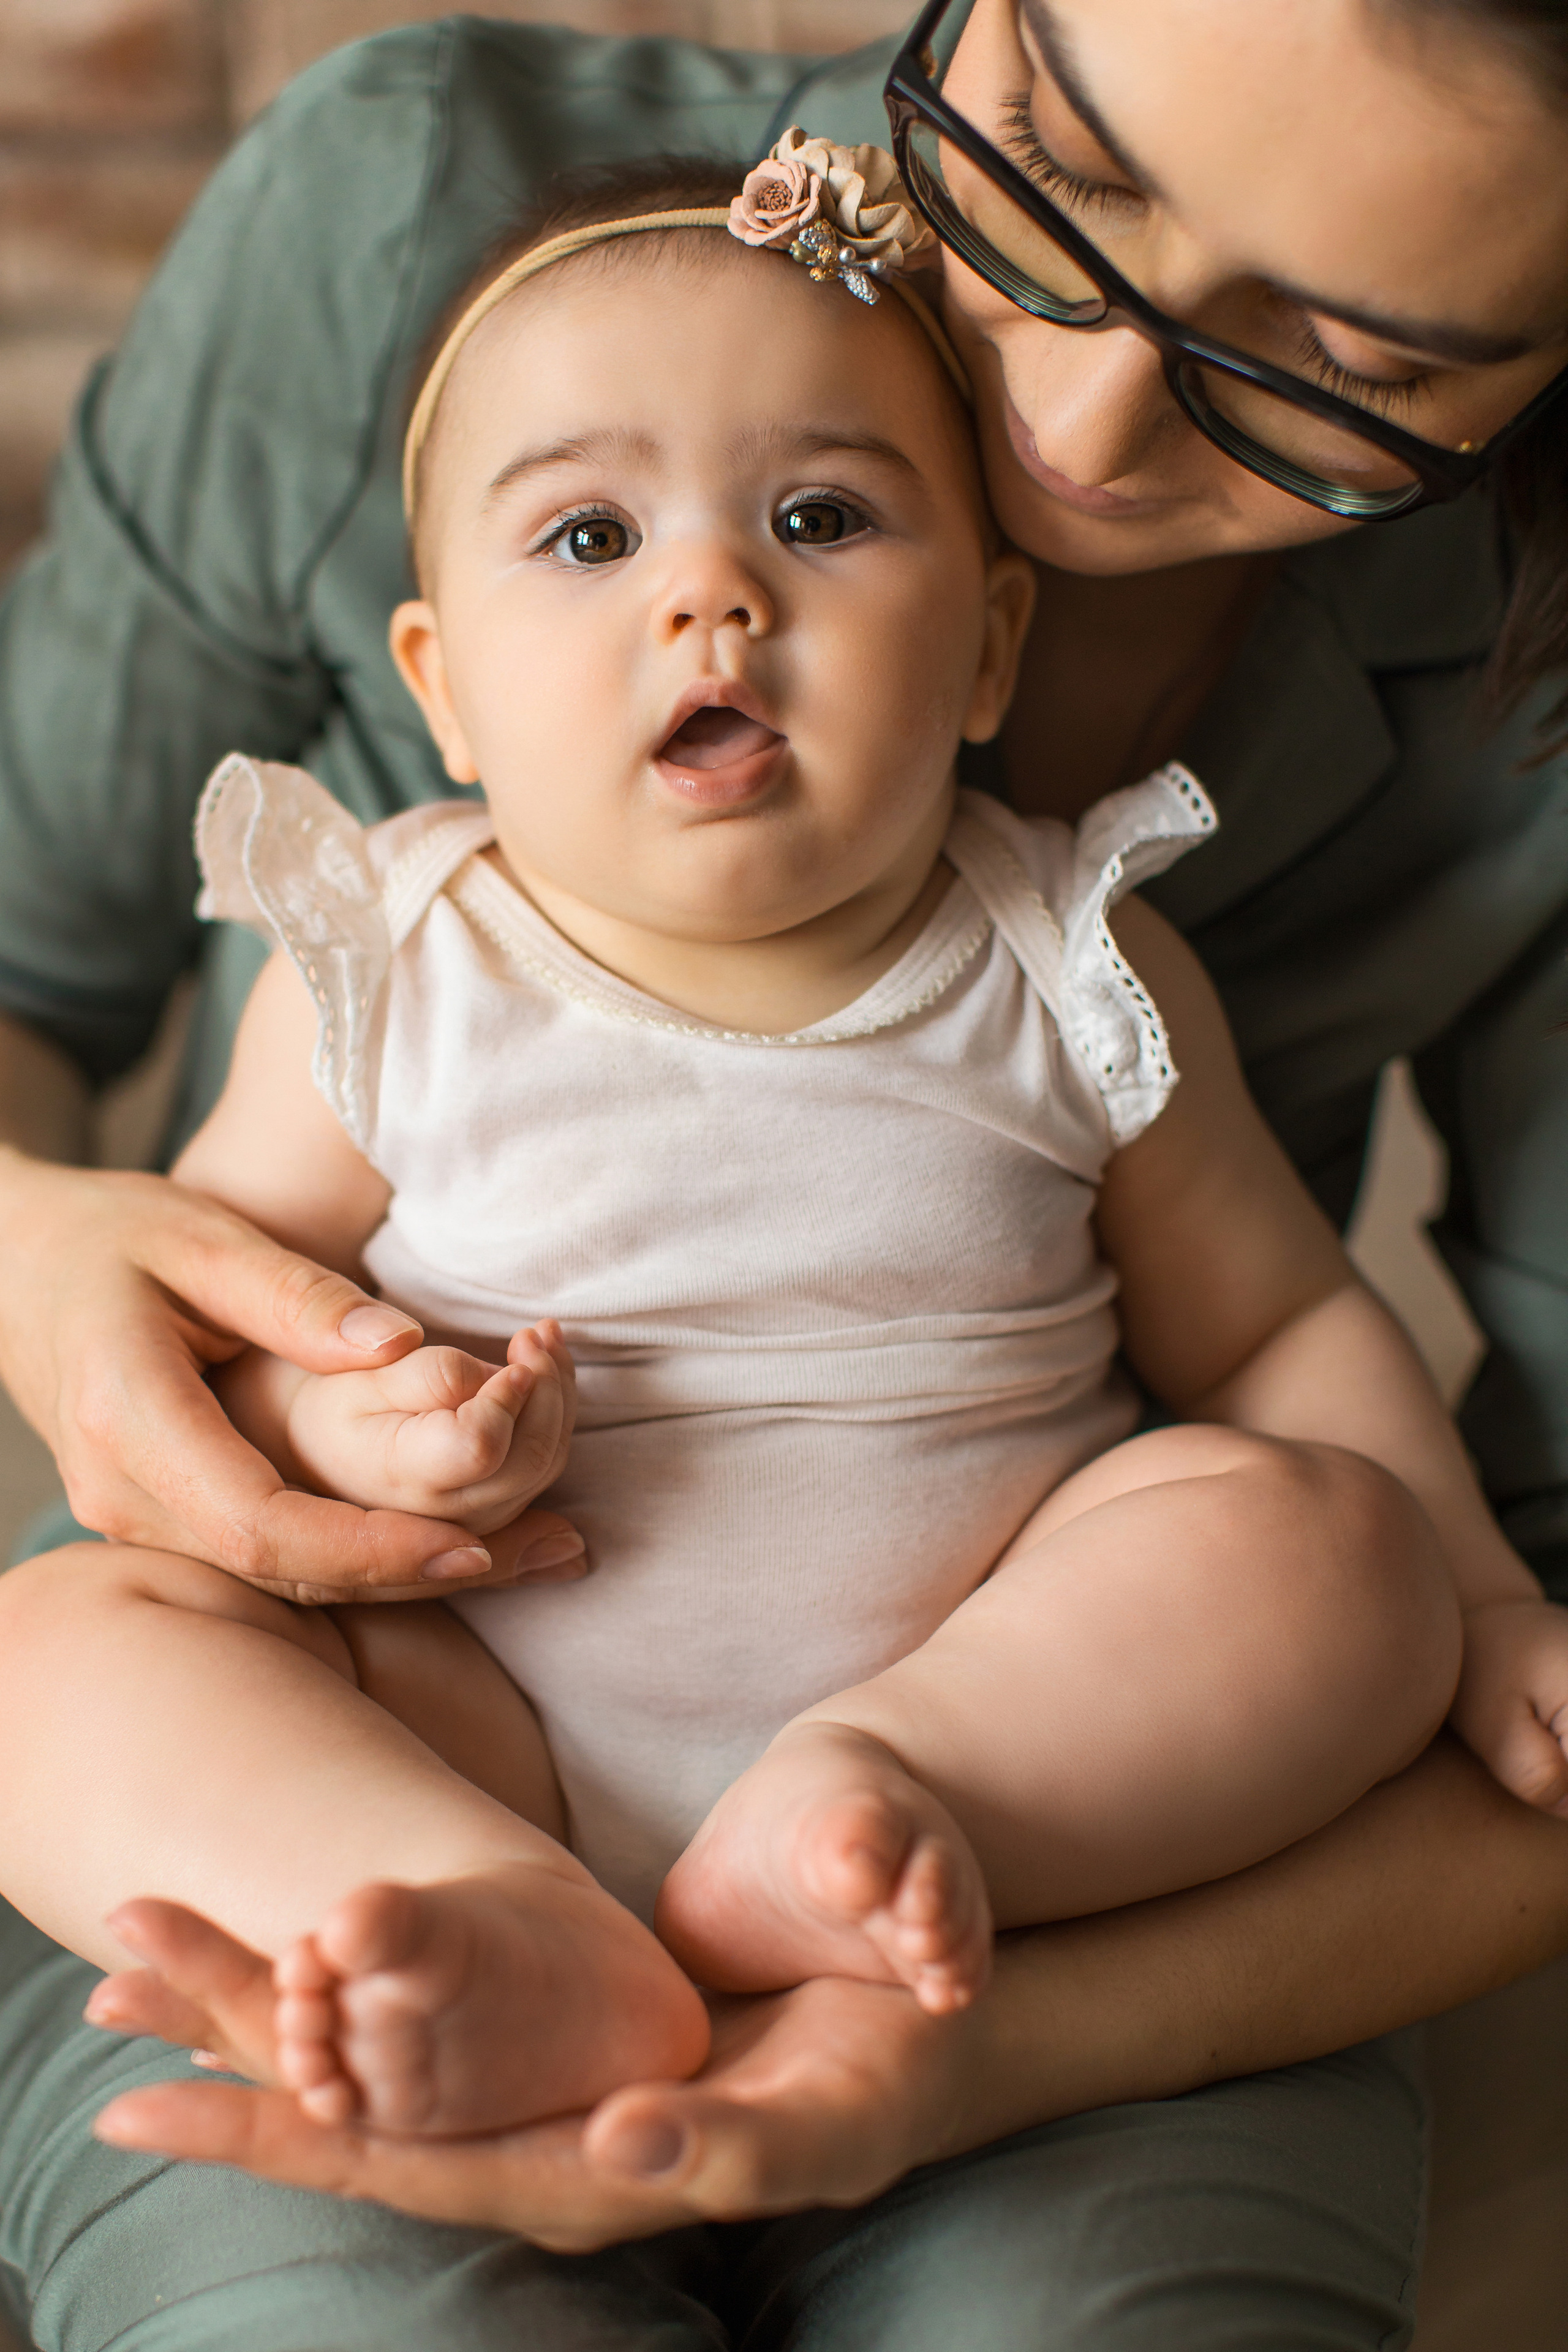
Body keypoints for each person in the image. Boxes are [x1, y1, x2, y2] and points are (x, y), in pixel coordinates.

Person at [0, 0, 1564, 2344]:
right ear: (436, 677)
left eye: (1336, 361)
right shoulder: (396, 950)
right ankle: (451, 1910)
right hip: (471, 1715)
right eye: (1062, 158)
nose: (711, 599)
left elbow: (1280, 1327)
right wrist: (345, 1422)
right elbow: (239, 1289)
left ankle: (878, 1805)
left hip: (1030, 1757)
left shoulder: (1067, 954)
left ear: (984, 660)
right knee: (59, 1653)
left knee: (1319, 1541)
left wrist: (1478, 1589)